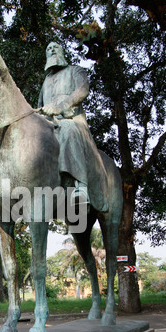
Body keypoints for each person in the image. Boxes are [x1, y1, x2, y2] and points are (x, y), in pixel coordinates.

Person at [38, 42, 109, 212]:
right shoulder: (46, 81)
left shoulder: (75, 71)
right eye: (48, 48)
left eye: (56, 47)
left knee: (68, 129)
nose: (52, 49)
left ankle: (81, 187)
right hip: (49, 124)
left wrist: (61, 106)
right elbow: (40, 106)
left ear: (62, 51)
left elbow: (82, 90)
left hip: (72, 120)